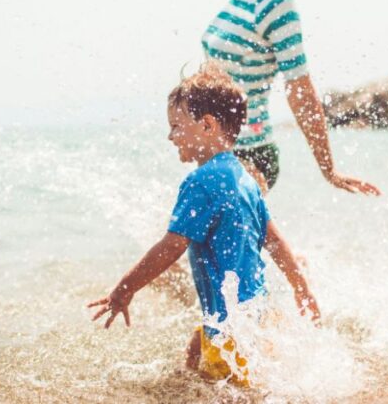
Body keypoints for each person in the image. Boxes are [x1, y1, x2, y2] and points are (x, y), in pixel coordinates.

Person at [88, 64, 320, 385]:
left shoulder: (200, 182)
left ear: (207, 125)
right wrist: (302, 289)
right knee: (195, 356)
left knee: (221, 388)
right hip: (251, 318)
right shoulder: (244, 179)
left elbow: (171, 246)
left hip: (228, 329)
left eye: (176, 126)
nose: (170, 136)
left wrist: (124, 290)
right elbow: (276, 243)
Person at [201, 0, 380, 195]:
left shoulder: (276, 3)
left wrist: (328, 168)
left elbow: (299, 86)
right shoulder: (236, 2)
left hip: (248, 153)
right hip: (216, 152)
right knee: (205, 245)